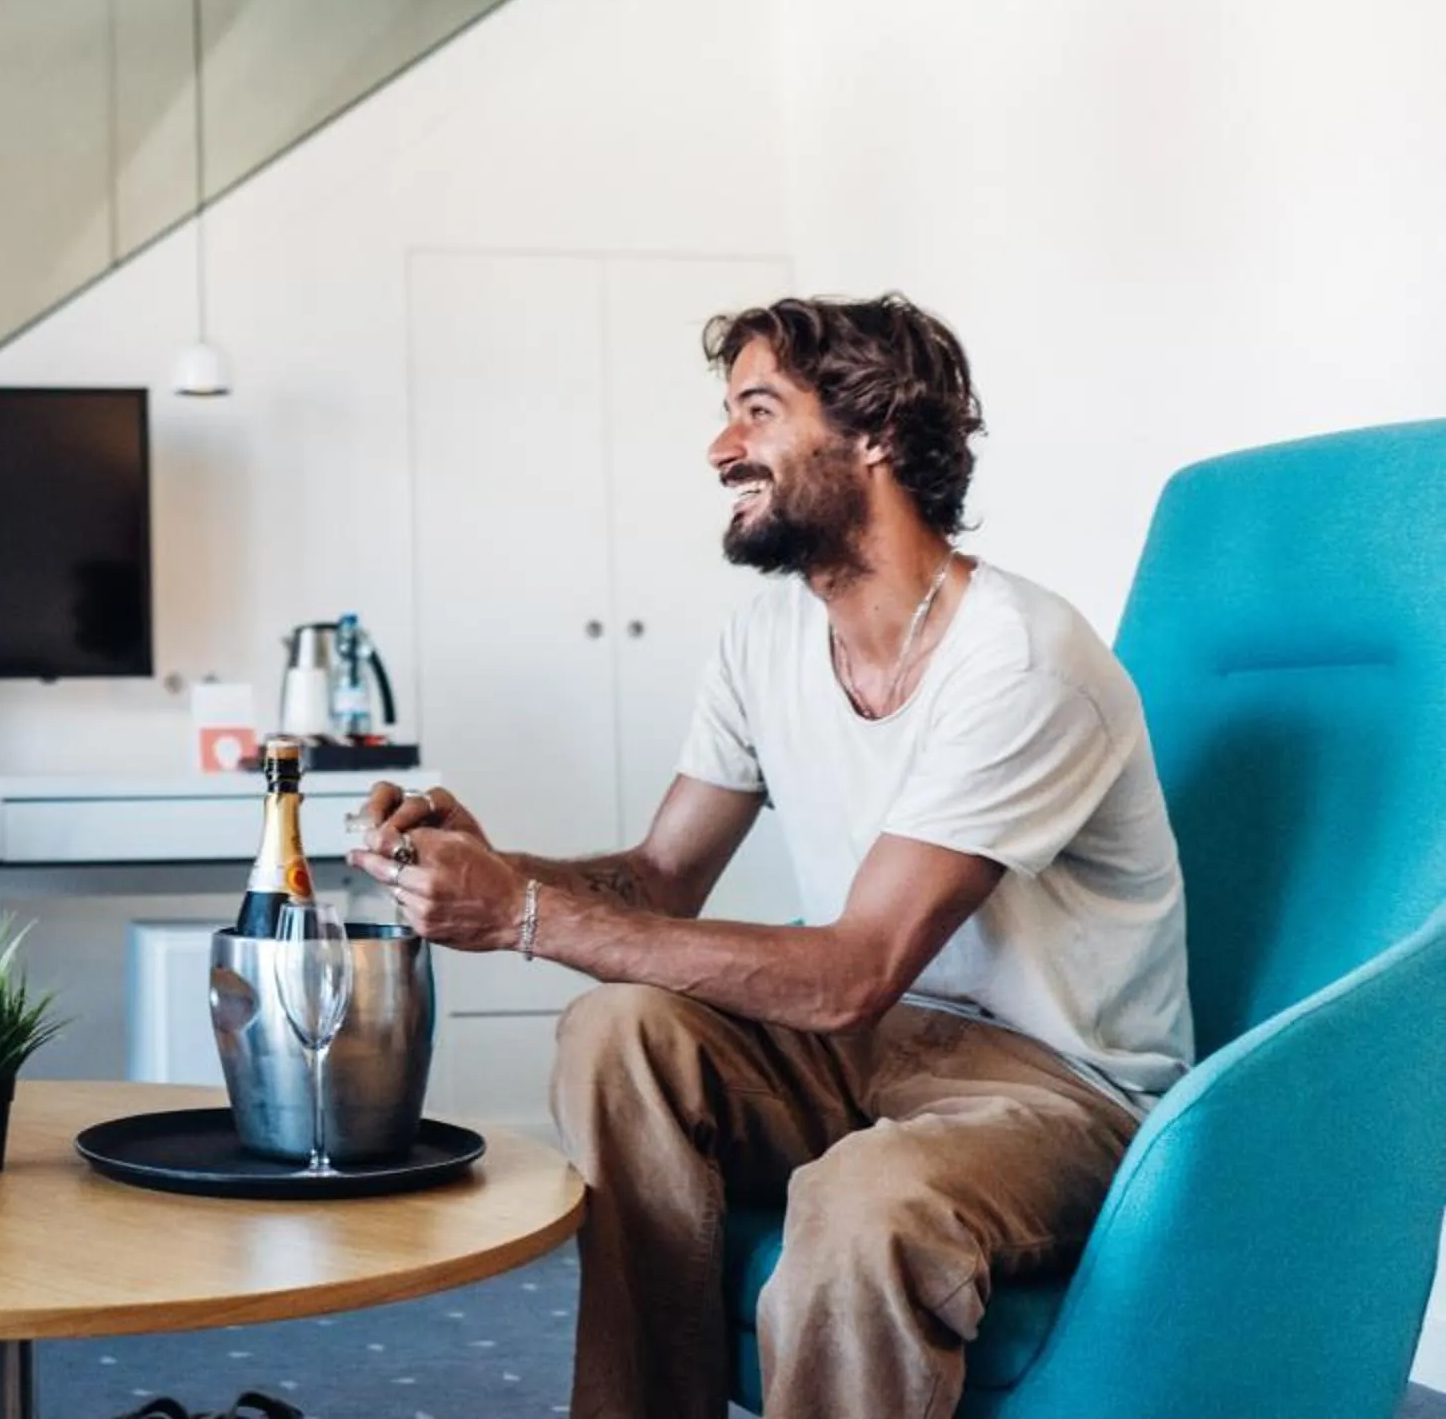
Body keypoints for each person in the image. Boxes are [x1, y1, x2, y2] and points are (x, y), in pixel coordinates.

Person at [352, 294, 1191, 1419]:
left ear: (877, 433)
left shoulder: (1022, 661)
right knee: (618, 1030)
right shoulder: (768, 637)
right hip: (867, 1048)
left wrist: (524, 916)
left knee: (867, 1196)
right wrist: (492, 864)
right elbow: (658, 879)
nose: (720, 447)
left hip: (1054, 1089)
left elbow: (853, 969)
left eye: (757, 411)